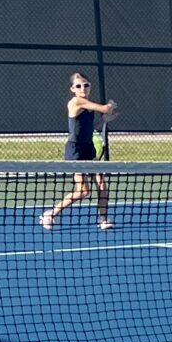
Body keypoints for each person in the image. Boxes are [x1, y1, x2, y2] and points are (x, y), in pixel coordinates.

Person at [40, 72, 116, 230]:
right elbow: (104, 108)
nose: (83, 88)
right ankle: (51, 214)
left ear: (90, 87)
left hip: (89, 148)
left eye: (86, 85)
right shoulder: (76, 102)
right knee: (83, 191)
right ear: (73, 89)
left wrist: (103, 120)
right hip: (75, 150)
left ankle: (103, 219)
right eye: (79, 86)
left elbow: (89, 128)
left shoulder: (87, 105)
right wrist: (109, 106)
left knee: (101, 184)